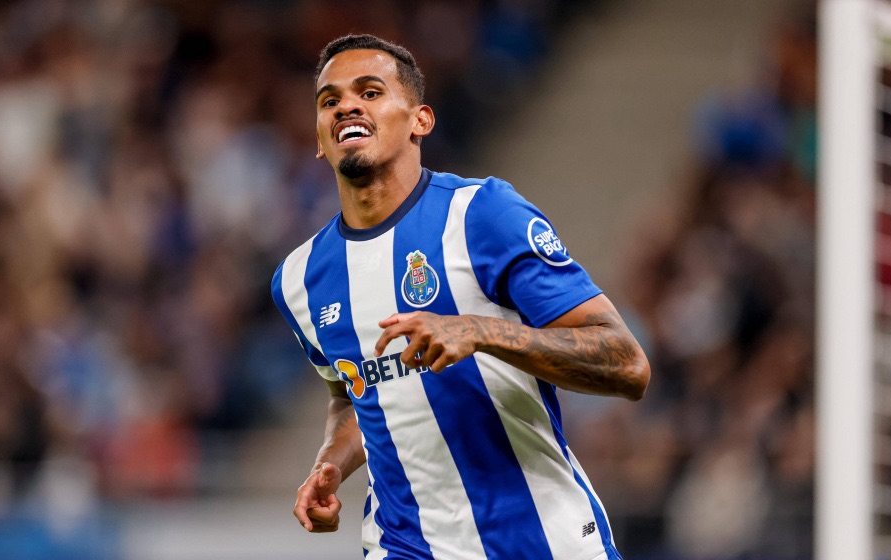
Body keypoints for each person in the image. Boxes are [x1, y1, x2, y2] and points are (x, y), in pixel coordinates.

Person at [271, 33, 650, 560]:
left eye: (370, 92)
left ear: (420, 121)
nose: (346, 106)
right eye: (329, 100)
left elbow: (628, 365)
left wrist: (480, 331)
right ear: (319, 137)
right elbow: (354, 392)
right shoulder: (298, 280)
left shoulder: (481, 215)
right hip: (405, 545)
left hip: (542, 540)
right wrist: (330, 462)